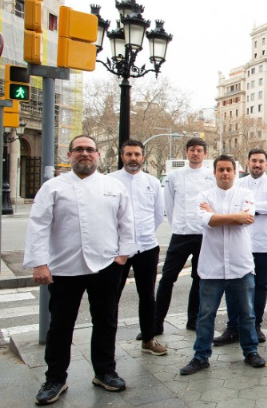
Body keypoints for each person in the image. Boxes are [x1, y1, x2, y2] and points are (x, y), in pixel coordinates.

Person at [24, 135, 137, 404]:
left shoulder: (113, 186)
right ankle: (55, 379)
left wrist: (123, 255)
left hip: (106, 266)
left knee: (106, 321)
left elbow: (126, 222)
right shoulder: (53, 187)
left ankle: (105, 372)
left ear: (98, 155)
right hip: (64, 269)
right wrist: (40, 263)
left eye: (89, 150)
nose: (84, 154)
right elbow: (38, 226)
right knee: (61, 325)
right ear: (69, 154)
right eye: (79, 150)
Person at [179, 155, 267, 375]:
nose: (225, 173)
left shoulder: (246, 194)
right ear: (214, 172)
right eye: (221, 170)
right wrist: (229, 217)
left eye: (229, 169)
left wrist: (216, 215)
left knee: (247, 313)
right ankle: (200, 356)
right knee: (206, 314)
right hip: (212, 266)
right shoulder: (204, 195)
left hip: (241, 265)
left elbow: (246, 218)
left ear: (235, 172)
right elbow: (205, 220)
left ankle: (250, 351)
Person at [214, 149, 267, 346]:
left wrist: (248, 208)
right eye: (254, 161)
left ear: (266, 164)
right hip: (239, 243)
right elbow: (233, 208)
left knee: (260, 286)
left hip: (264, 244)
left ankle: (256, 325)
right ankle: (232, 327)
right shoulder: (238, 184)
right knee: (233, 286)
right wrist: (251, 210)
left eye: (261, 161)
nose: (257, 165)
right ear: (247, 162)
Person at [108, 139, 167, 355]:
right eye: (128, 154)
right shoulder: (109, 181)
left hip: (147, 247)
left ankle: (148, 339)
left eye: (137, 154)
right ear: (122, 156)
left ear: (143, 157)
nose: (133, 158)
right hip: (116, 249)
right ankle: (107, 342)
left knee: (147, 295)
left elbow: (158, 214)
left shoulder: (152, 182)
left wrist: (143, 234)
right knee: (111, 295)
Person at [156, 138, 215, 333]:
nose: (195, 153)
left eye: (199, 150)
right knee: (167, 279)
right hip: (181, 233)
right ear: (186, 152)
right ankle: (156, 324)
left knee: (199, 279)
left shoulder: (210, 176)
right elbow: (169, 205)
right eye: (192, 150)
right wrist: (177, 225)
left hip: (203, 234)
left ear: (205, 153)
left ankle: (193, 320)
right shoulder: (175, 176)